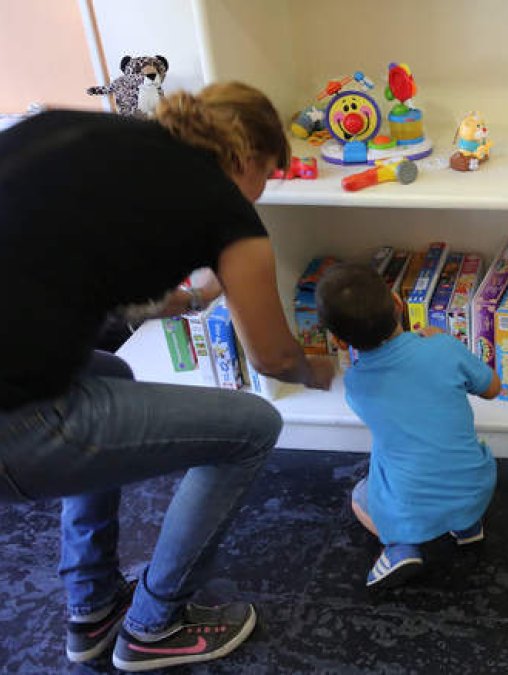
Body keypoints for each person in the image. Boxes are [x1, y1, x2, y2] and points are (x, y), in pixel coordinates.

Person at [0, 82, 336, 671]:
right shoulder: (227, 212)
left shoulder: (81, 136)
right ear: (246, 159)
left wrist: (187, 299)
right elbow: (272, 360)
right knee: (254, 425)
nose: (260, 195)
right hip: (14, 425)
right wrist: (319, 368)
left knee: (113, 373)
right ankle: (156, 623)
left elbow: (64, 266)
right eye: (268, 177)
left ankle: (94, 605)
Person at [316, 264, 501, 588]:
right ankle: (467, 526)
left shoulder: (356, 384)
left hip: (412, 504)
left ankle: (400, 545)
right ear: (399, 304)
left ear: (339, 342)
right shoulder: (443, 348)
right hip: (476, 488)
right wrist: (443, 341)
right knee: (446, 459)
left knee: (361, 494)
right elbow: (493, 388)